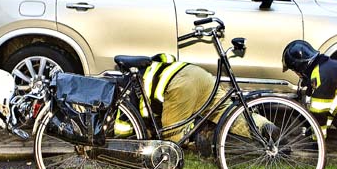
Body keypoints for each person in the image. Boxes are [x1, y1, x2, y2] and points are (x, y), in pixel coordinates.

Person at [115, 53, 276, 156]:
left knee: (171, 143)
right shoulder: (155, 64)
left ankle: (198, 134)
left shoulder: (129, 88)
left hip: (179, 85)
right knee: (227, 113)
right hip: (199, 75)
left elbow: (133, 125)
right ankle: (265, 127)